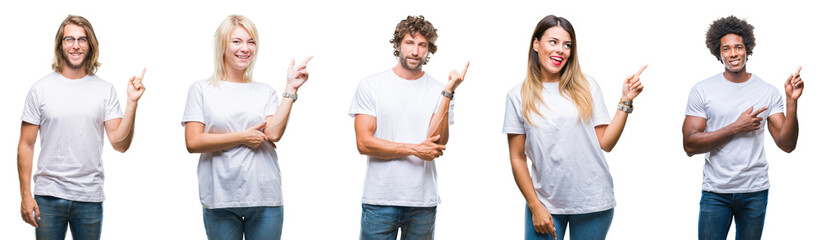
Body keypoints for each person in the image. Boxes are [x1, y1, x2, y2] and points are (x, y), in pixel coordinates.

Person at [503, 15, 646, 240]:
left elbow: (606, 143)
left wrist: (625, 100)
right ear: (536, 44)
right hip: (545, 203)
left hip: (593, 201)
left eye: (567, 45)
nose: (561, 50)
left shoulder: (587, 86)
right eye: (553, 42)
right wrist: (535, 206)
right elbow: (517, 157)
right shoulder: (517, 96)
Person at [182, 15, 312, 240]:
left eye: (251, 42)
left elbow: (273, 133)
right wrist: (243, 136)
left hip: (264, 197)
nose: (245, 48)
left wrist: (291, 89)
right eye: (237, 41)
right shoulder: (201, 89)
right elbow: (193, 142)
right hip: (220, 198)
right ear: (222, 45)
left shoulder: (265, 92)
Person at [17, 15, 146, 240]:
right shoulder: (40, 89)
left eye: (82, 39)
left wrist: (132, 103)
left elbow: (120, 144)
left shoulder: (105, 90)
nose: (76, 45)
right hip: (48, 196)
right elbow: (26, 145)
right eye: (69, 39)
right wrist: (25, 195)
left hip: (89, 197)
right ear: (60, 45)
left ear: (90, 45)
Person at [682, 16, 803, 240]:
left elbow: (787, 145)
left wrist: (791, 101)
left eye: (738, 47)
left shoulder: (767, 91)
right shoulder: (703, 90)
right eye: (726, 49)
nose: (733, 53)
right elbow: (689, 145)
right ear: (719, 54)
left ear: (748, 49)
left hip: (755, 191)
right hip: (716, 192)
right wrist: (736, 127)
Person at [349, 15, 468, 240]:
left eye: (422, 45)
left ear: (428, 49)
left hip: (422, 202)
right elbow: (364, 143)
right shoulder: (371, 86)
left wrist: (449, 91)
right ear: (398, 45)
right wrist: (414, 149)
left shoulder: (439, 90)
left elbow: (437, 143)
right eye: (409, 43)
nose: (415, 51)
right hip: (380, 200)